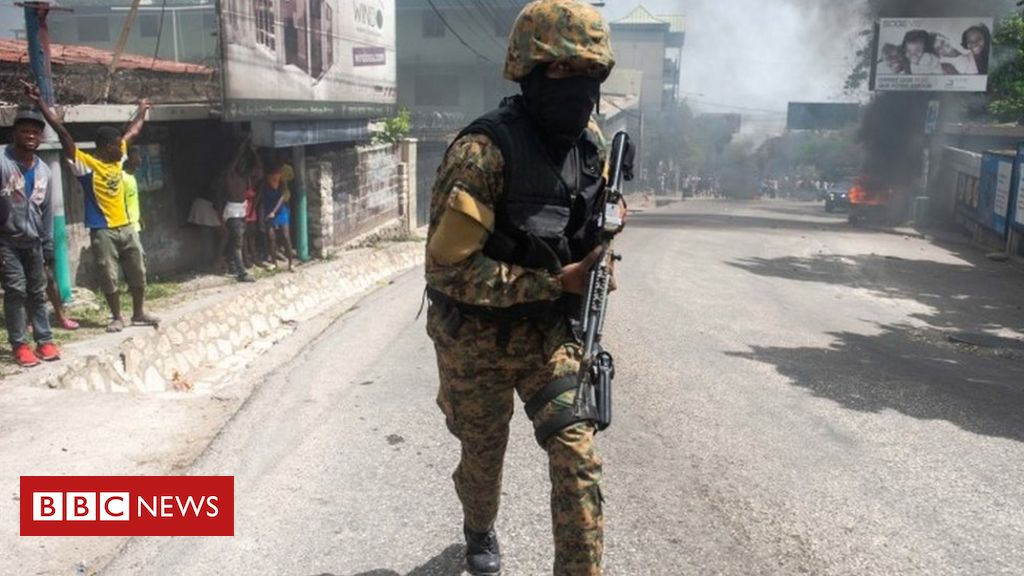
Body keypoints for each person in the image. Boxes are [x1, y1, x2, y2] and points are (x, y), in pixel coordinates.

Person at [424, 1, 625, 574]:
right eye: (563, 69)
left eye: (590, 71)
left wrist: (603, 247)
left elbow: (589, 224)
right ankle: (479, 528)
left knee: (577, 459)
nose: (578, 84)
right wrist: (555, 281)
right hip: (475, 342)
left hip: (547, 338)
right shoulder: (481, 154)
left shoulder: (590, 146)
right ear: (529, 70)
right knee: (482, 462)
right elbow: (447, 272)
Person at [25, 83, 159, 333]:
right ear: (106, 146)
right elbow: (62, 133)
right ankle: (117, 317)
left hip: (127, 227)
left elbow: (134, 131)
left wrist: (142, 109)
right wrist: (40, 103)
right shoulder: (85, 164)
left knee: (138, 271)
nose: (122, 149)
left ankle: (139, 312)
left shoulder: (117, 158)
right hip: (103, 230)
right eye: (117, 145)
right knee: (109, 275)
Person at [0, 106, 61, 366]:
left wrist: (48, 245)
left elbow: (46, 212)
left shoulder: (44, 171)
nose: (30, 136)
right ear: (15, 133)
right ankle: (20, 345)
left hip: (34, 242)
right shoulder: (2, 161)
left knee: (37, 291)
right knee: (16, 291)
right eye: (25, 131)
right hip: (6, 241)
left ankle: (44, 341)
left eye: (35, 132)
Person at [220, 136, 259, 282]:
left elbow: (258, 169)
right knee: (237, 243)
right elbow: (234, 160)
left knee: (234, 241)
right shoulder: (230, 175)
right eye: (240, 164)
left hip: (241, 211)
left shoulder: (243, 177)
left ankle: (232, 265)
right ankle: (242, 273)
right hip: (233, 212)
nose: (242, 166)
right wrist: (243, 146)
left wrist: (253, 152)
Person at [261, 163, 294, 272]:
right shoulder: (265, 185)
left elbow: (281, 199)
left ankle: (291, 264)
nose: (275, 178)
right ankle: (274, 263)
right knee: (271, 237)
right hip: (269, 212)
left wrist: (273, 212)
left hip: (281, 212)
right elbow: (262, 199)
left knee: (286, 236)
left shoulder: (282, 185)